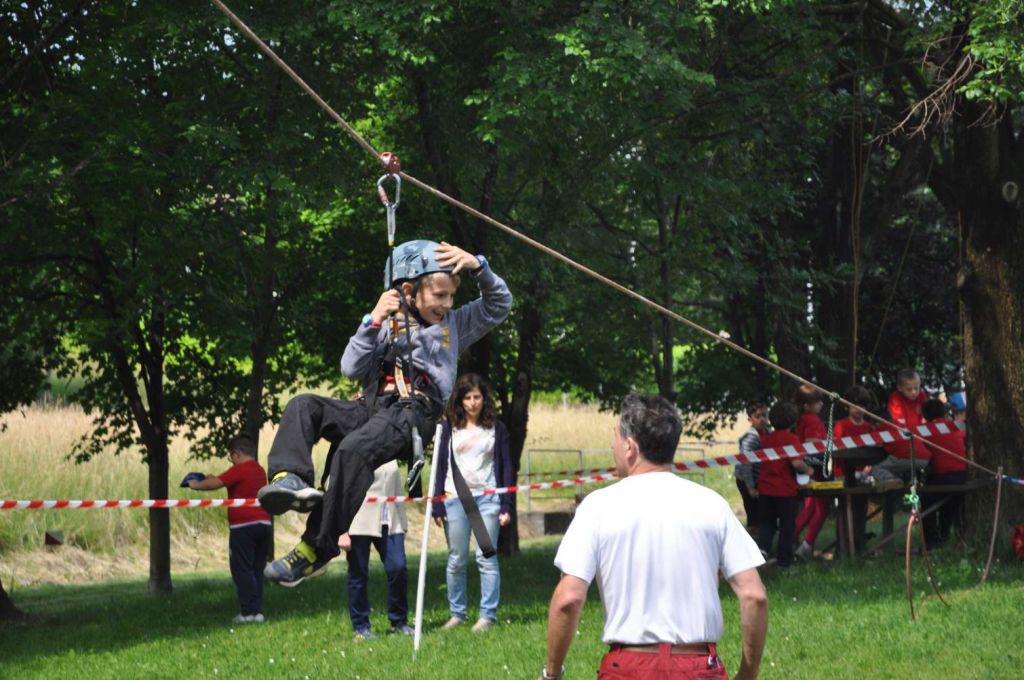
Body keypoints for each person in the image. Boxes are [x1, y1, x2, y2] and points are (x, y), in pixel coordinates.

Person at [257, 240, 512, 586]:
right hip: (371, 407)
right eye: (439, 295)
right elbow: (350, 368)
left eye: (451, 296)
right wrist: (372, 320)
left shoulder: (454, 324)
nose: (447, 304)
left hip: (414, 412)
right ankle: (289, 478)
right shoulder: (385, 325)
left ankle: (316, 548)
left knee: (353, 450)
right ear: (408, 290)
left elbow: (499, 305)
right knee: (303, 405)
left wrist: (479, 266)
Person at [541, 394, 767, 680]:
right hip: (698, 667)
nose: (612, 446)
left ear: (630, 447)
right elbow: (754, 595)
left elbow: (569, 599)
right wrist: (747, 674)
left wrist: (551, 673)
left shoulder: (597, 506)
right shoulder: (712, 504)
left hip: (627, 668)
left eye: (615, 437)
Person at [431, 373, 514, 633]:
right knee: (456, 559)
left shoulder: (497, 429)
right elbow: (438, 467)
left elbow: (507, 468)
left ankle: (487, 616)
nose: (472, 402)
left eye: (477, 397)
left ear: (484, 399)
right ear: (460, 400)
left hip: (488, 500)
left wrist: (507, 505)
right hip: (454, 499)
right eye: (467, 398)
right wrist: (436, 504)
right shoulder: (447, 429)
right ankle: (457, 614)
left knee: (486, 558)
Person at [182, 433, 272, 623]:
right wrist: (211, 478)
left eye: (231, 456)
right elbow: (226, 480)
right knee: (257, 569)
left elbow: (215, 484)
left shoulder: (240, 469)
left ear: (237, 453)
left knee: (242, 569)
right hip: (264, 524)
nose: (231, 461)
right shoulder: (259, 470)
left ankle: (247, 613)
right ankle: (257, 612)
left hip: (243, 526)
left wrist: (195, 484)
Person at [338, 460, 413, 640]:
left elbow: (397, 490)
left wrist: (403, 522)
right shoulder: (354, 451)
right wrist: (341, 530)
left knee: (398, 567)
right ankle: (361, 627)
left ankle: (399, 622)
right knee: (358, 574)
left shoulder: (391, 450)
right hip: (358, 522)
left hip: (391, 521)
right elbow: (340, 492)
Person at [756, 401, 814, 568]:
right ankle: (784, 562)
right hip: (785, 491)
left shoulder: (766, 439)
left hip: (765, 489)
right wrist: (809, 470)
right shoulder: (792, 439)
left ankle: (762, 551)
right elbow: (797, 463)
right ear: (793, 420)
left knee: (767, 524)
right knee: (787, 527)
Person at [920, 399, 969, 547]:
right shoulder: (955, 426)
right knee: (950, 499)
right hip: (963, 476)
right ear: (944, 412)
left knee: (926, 498)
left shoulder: (925, 430)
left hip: (944, 477)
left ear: (925, 415)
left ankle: (931, 541)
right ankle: (945, 533)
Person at [873, 368, 930, 484]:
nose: (914, 392)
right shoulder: (895, 398)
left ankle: (897, 483)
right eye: (909, 389)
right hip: (907, 439)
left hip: (920, 440)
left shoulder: (923, 397)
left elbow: (926, 418)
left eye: (916, 388)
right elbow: (898, 422)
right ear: (900, 388)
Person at [793, 387, 828, 561]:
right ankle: (806, 546)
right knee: (822, 508)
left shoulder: (800, 420)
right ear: (807, 406)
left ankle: (789, 541)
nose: (821, 404)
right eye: (817, 401)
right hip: (815, 469)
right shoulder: (812, 420)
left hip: (805, 469)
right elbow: (812, 443)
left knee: (810, 509)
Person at [735, 402, 768, 531]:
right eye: (758, 416)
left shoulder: (767, 433)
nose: (762, 419)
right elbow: (745, 463)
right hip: (746, 480)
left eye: (764, 415)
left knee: (762, 514)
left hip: (759, 479)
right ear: (750, 419)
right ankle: (752, 537)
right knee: (753, 515)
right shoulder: (751, 438)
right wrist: (750, 488)